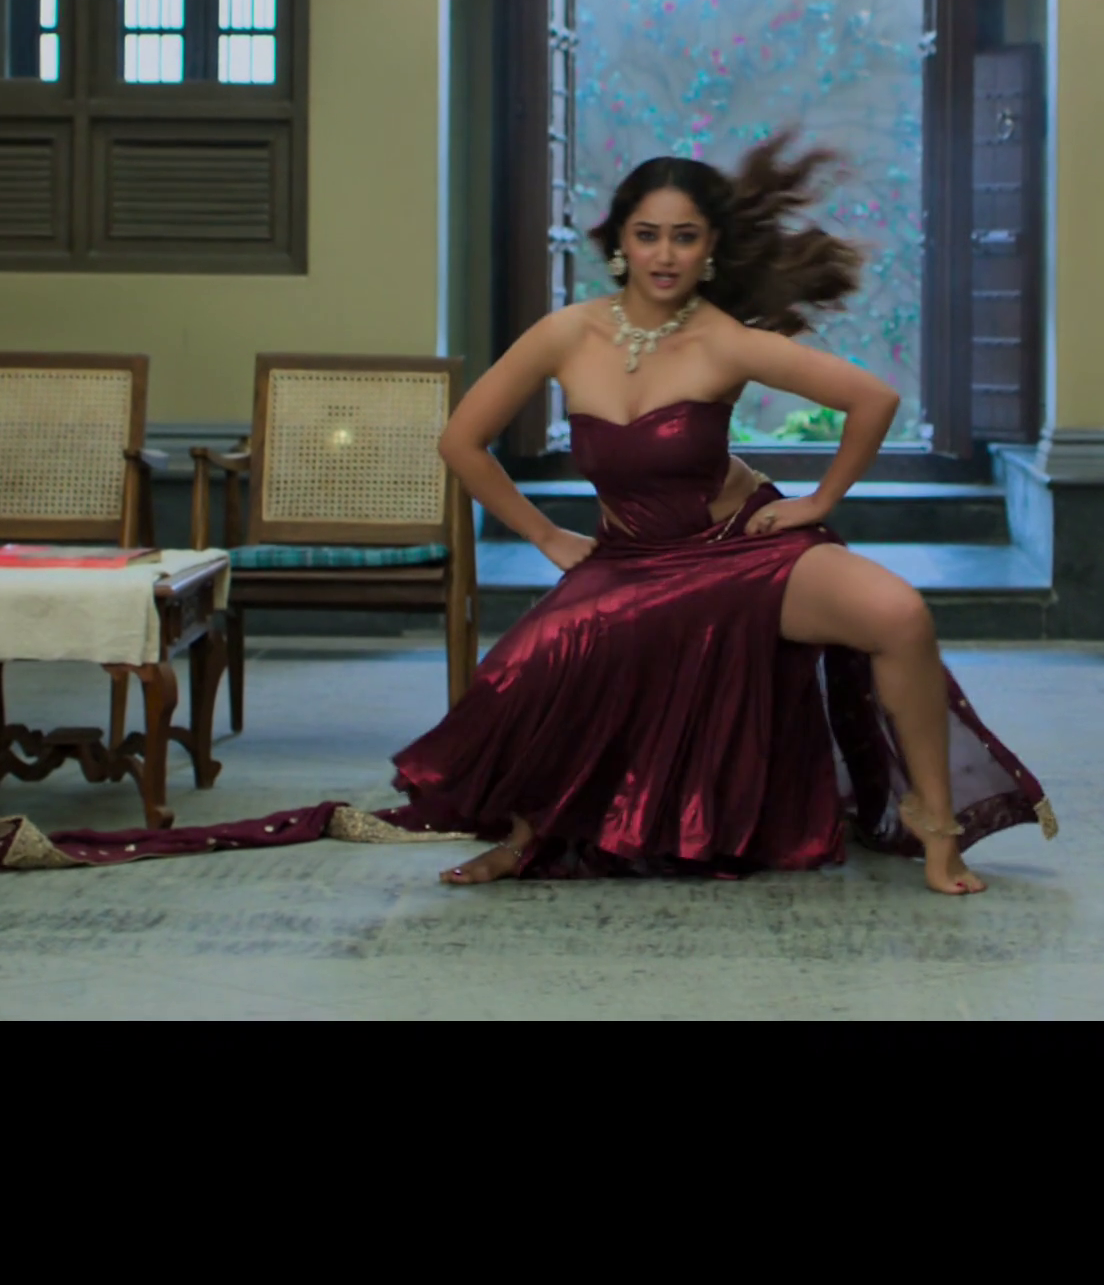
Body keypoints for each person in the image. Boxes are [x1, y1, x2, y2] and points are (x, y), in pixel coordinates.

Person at [396, 142, 1049, 894]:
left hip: (741, 548)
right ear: (620, 241)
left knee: (899, 614)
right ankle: (526, 836)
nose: (664, 255)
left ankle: (939, 833)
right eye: (648, 235)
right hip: (633, 562)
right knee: (532, 661)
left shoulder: (725, 341)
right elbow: (461, 442)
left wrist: (818, 502)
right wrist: (545, 535)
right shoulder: (566, 334)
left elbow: (874, 399)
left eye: (685, 237)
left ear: (709, 249)